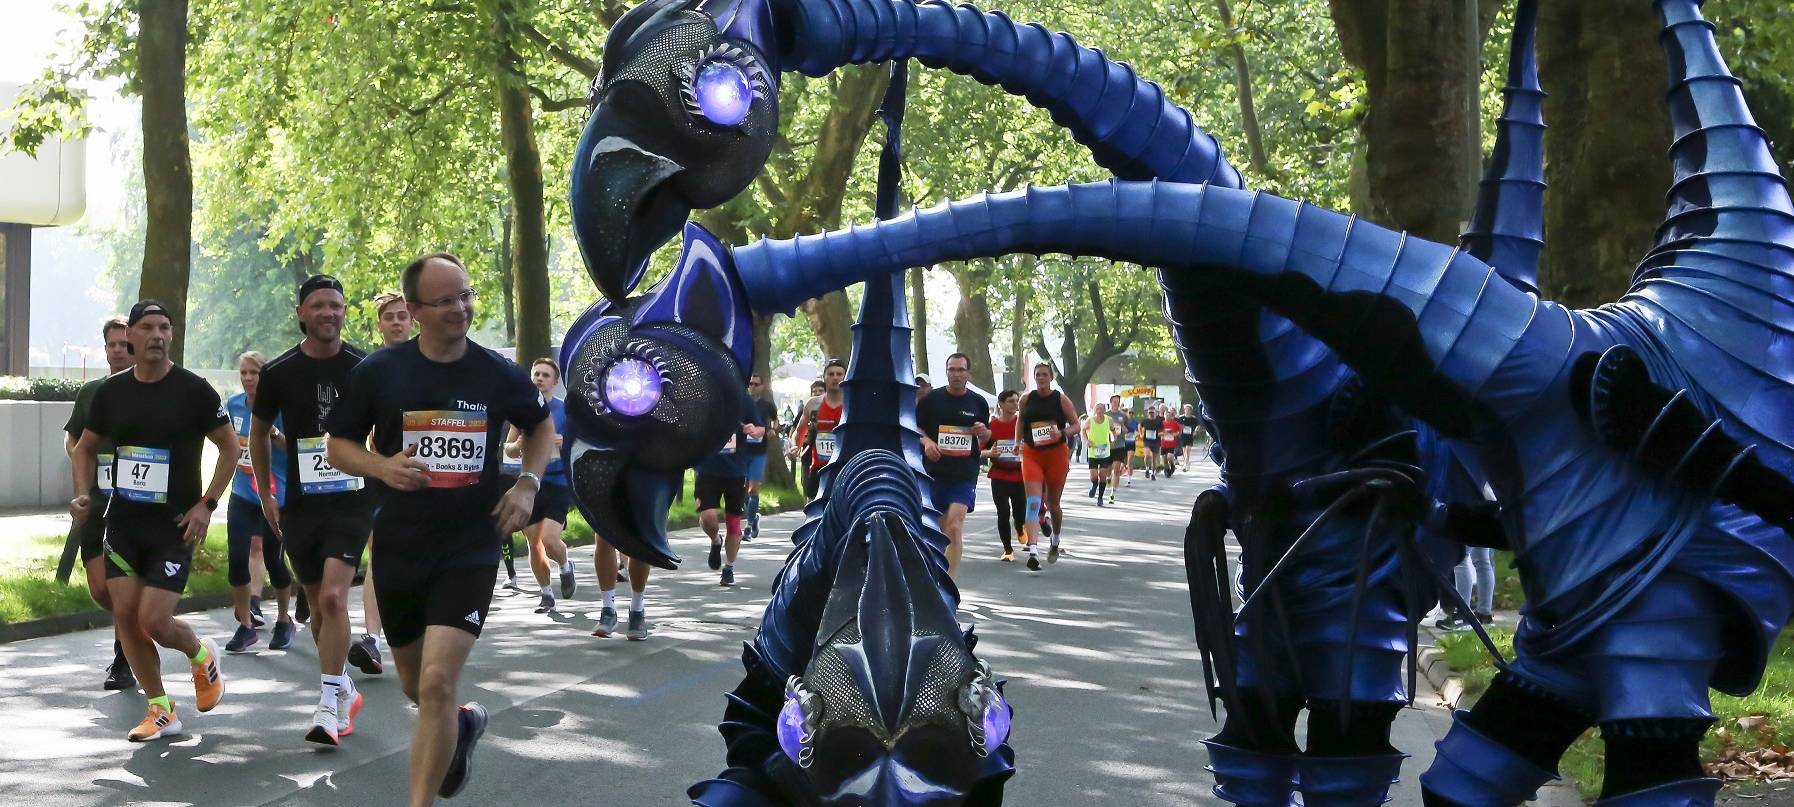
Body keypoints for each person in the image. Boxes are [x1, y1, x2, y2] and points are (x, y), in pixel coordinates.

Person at [326, 253, 553, 802]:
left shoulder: (497, 373)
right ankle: (463, 723)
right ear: (415, 310)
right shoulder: (380, 372)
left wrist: (526, 484)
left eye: (466, 295)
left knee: (435, 682)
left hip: (470, 546)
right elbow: (338, 445)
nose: (461, 308)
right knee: (416, 685)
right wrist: (382, 466)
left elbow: (540, 425)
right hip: (402, 546)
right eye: (445, 300)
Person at [69, 299, 232, 741]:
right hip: (124, 521)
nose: (157, 335)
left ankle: (201, 655)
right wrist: (83, 494)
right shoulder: (112, 392)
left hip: (175, 526)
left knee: (156, 622)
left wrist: (207, 504)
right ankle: (161, 709)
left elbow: (230, 447)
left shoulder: (195, 390)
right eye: (148, 328)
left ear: (171, 335)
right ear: (132, 337)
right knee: (127, 617)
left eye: (165, 327)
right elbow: (83, 447)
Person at [252, 275, 380, 745]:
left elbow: (383, 431)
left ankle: (328, 704)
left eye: (337, 305)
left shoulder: (365, 366)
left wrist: (383, 473)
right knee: (319, 612)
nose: (329, 313)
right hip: (302, 505)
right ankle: (343, 685)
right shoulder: (280, 372)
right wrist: (267, 493)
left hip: (352, 497)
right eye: (319, 306)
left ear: (345, 312)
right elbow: (259, 432)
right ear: (302, 313)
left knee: (331, 597)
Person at [60, 317, 136, 690]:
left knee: (119, 585)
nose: (119, 350)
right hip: (96, 499)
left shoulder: (147, 391)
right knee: (101, 589)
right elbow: (72, 440)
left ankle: (124, 658)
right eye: (113, 345)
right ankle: (133, 627)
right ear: (105, 349)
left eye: (125, 344)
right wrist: (82, 484)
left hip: (132, 505)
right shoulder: (91, 393)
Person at [225, 351, 295, 654]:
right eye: (243, 373)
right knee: (237, 557)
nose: (248, 378)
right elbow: (229, 445)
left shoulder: (281, 406)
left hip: (276, 494)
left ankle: (283, 619)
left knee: (274, 559)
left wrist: (269, 431)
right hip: (242, 492)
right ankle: (246, 626)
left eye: (254, 373)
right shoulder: (234, 404)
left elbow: (295, 448)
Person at [505, 358, 576, 614]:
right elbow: (509, 450)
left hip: (558, 482)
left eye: (546, 375)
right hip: (531, 483)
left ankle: (566, 565)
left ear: (555, 383)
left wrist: (562, 441)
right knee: (534, 542)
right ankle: (546, 595)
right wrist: (520, 444)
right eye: (536, 374)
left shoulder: (565, 410)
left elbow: (579, 445)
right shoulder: (523, 410)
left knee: (549, 539)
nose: (540, 379)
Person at [917, 353, 991, 576]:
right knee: (940, 531)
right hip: (935, 473)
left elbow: (987, 434)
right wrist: (927, 442)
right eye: (952, 370)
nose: (956, 375)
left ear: (968, 373)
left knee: (955, 525)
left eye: (960, 370)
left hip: (964, 473)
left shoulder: (978, 402)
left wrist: (983, 432)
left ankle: (949, 585)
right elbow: (916, 428)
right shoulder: (932, 400)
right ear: (946, 372)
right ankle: (936, 576)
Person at [698, 386, 766, 586]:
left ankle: (728, 568)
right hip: (707, 468)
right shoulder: (703, 395)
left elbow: (761, 428)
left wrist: (754, 430)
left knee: (733, 522)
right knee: (708, 517)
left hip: (735, 470)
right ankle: (715, 540)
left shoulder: (741, 398)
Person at [1018, 362, 1078, 571]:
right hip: (1032, 453)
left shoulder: (1060, 399)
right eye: (1037, 375)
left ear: (1051, 377)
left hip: (1056, 454)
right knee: (1033, 502)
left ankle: (1056, 539)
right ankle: (1033, 550)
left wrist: (1061, 433)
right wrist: (1018, 442)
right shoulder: (1026, 399)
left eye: (1044, 374)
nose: (1041, 378)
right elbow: (1021, 421)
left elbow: (1076, 425)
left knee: (1053, 505)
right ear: (1033, 378)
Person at [787, 360, 846, 501]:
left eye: (839, 374)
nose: (835, 377)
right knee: (813, 514)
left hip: (844, 468)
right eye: (831, 374)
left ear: (845, 377)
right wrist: (795, 446)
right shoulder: (814, 404)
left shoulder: (852, 403)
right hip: (818, 469)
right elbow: (799, 432)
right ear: (824, 377)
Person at [982, 390, 1026, 561]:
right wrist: (990, 452)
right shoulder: (991, 427)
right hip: (999, 476)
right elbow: (980, 450)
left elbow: (1034, 445)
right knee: (1003, 512)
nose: (1015, 404)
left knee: (1019, 513)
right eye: (1011, 401)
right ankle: (1008, 549)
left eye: (1017, 401)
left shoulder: (1022, 424)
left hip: (1020, 476)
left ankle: (1020, 529)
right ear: (1000, 404)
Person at [742, 373, 780, 540]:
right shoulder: (741, 403)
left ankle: (749, 526)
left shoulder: (767, 405)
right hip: (741, 452)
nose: (753, 387)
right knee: (741, 490)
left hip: (759, 451)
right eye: (750, 384)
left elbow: (775, 421)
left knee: (753, 489)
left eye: (756, 384)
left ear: (762, 387)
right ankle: (754, 516)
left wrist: (772, 429)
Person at [1083, 401, 1114, 506]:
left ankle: (1100, 498)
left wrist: (1113, 438)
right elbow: (1083, 430)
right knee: (1094, 476)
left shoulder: (1108, 420)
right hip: (1093, 452)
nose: (1099, 411)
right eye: (1097, 409)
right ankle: (1094, 485)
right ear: (1095, 410)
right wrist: (1088, 440)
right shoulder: (1090, 420)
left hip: (1105, 452)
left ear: (1104, 410)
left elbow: (1114, 430)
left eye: (1101, 409)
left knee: (1103, 475)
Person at [1158, 405, 1182, 476]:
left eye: (1169, 415)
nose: (1167, 417)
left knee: (1169, 457)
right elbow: (1157, 433)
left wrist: (1176, 434)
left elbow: (1180, 430)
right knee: (1164, 458)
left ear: (1171, 416)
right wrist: (1163, 433)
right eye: (1166, 415)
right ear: (1164, 416)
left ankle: (1172, 465)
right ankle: (1166, 470)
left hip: (1171, 444)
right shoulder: (1161, 423)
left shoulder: (1175, 423)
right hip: (1163, 443)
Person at [1178, 403, 1203, 467]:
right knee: (1184, 449)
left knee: (1188, 449)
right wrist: (1180, 428)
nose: (1187, 410)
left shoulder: (1193, 418)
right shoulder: (1181, 417)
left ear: (1191, 410)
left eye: (1189, 409)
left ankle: (1186, 462)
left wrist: (1195, 431)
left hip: (1190, 435)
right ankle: (1186, 462)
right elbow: (1178, 425)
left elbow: (1198, 425)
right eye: (1186, 409)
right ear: (1184, 410)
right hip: (1183, 435)